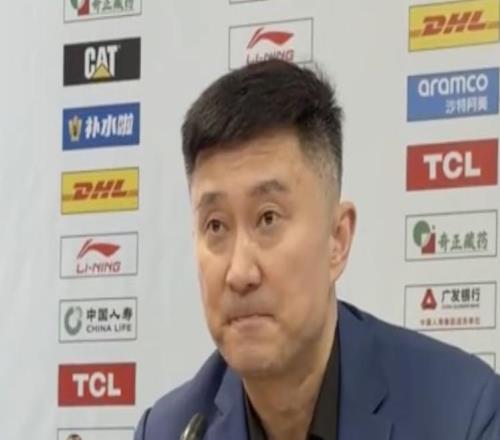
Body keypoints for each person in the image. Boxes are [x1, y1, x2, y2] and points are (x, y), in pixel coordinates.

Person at [134, 59, 500, 440]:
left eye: (268, 218)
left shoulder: (462, 414)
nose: (240, 273)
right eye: (215, 225)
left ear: (337, 240)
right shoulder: (167, 430)